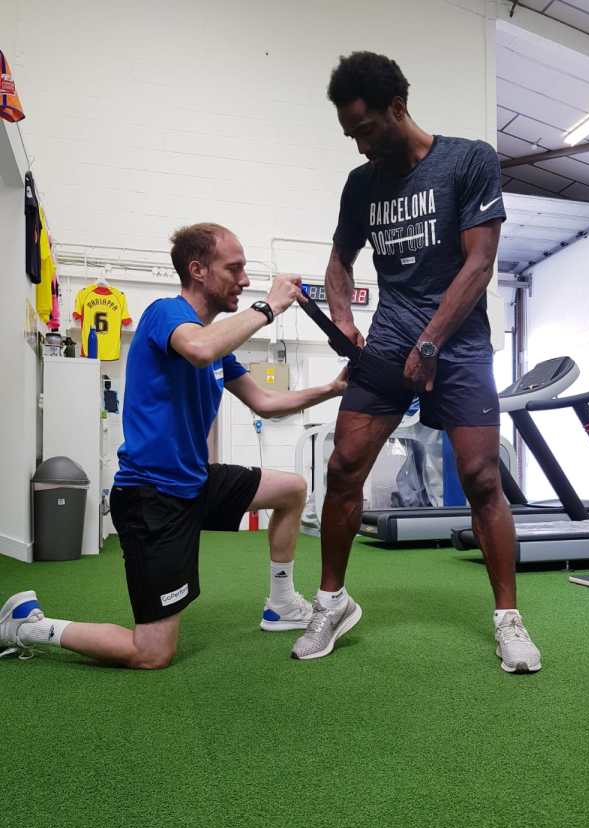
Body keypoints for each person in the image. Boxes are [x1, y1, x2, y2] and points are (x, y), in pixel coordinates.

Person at [290, 52, 541, 673]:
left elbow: (479, 264)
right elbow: (340, 260)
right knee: (344, 465)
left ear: (398, 108)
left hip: (459, 342)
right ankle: (331, 601)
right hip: (389, 336)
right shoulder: (362, 184)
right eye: (350, 135)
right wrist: (345, 316)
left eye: (366, 131)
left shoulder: (469, 160)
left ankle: (508, 618)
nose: (359, 146)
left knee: (483, 477)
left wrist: (430, 344)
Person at [0, 223, 347, 668]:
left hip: (194, 481)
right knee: (151, 653)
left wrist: (333, 389)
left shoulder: (217, 344)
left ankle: (281, 603)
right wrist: (270, 306)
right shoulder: (166, 314)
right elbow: (198, 348)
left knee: (292, 488)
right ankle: (28, 624)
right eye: (235, 268)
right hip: (152, 496)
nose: (243, 280)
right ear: (198, 269)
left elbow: (266, 403)